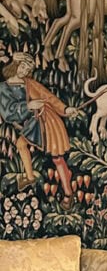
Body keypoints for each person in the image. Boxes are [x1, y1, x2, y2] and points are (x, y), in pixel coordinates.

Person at [0, 52, 77, 206]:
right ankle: (30, 177)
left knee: (57, 156)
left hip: (47, 120)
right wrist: (28, 106)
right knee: (21, 144)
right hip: (34, 122)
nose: (24, 71)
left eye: (27, 69)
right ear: (15, 65)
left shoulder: (30, 83)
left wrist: (65, 109)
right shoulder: (4, 88)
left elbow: (48, 97)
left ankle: (68, 194)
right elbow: (8, 112)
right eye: (22, 66)